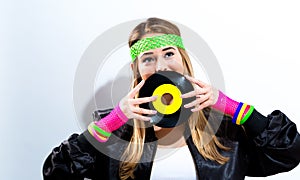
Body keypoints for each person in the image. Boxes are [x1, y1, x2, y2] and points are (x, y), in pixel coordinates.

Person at [42, 17, 300, 180]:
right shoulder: (115, 130)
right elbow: (57, 172)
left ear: (183, 60)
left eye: (168, 54)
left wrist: (233, 108)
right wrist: (113, 121)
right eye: (148, 58)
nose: (160, 66)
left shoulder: (223, 126)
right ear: (137, 69)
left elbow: (289, 154)